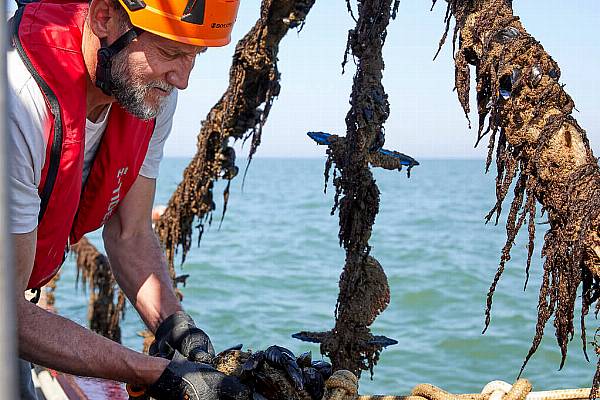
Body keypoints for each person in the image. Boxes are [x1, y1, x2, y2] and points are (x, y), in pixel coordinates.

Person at [7, 0, 249, 398]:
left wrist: (177, 327)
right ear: (104, 18)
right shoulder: (16, 103)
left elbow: (129, 232)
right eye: (170, 52)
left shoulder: (151, 95)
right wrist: (156, 373)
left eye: (195, 56)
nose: (182, 79)